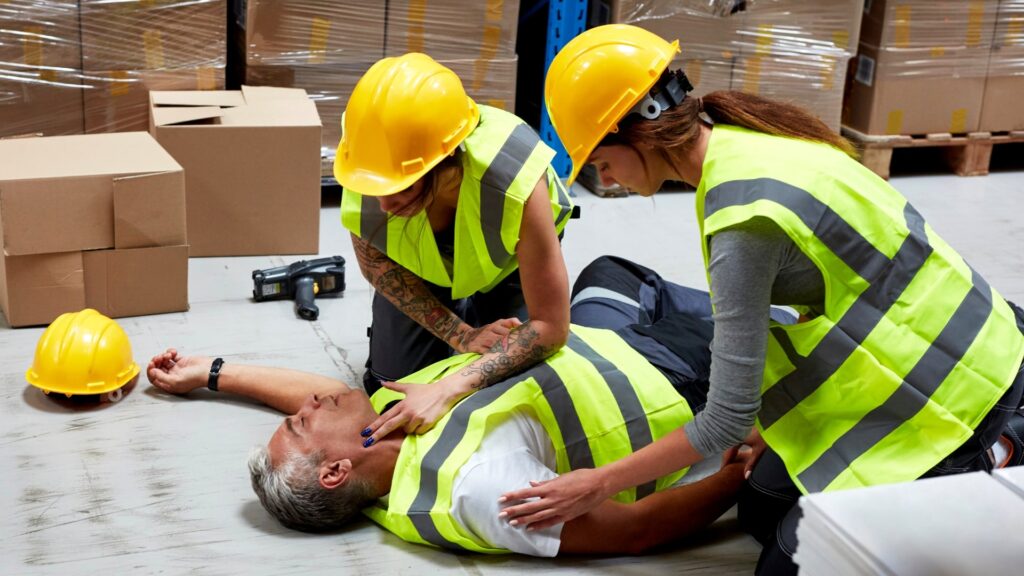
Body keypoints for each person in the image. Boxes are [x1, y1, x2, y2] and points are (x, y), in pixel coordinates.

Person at [498, 24, 1024, 574]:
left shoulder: (745, 221)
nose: (604, 177)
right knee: (762, 505)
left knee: (786, 567)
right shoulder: (750, 140)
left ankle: (994, 456)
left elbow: (722, 420)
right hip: (947, 340)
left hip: (960, 391)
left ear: (641, 129)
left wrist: (595, 484)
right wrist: (764, 428)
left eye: (600, 161)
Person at [147, 256, 755, 556]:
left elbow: (310, 392)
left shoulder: (385, 427)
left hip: (591, 338)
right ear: (335, 470)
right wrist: (735, 476)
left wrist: (217, 373)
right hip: (669, 376)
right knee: (769, 322)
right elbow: (633, 530)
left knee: (610, 272)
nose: (309, 402)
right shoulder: (471, 488)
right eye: (304, 421)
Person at [333, 53, 575, 445]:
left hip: (506, 265)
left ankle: (483, 306)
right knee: (390, 387)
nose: (383, 205)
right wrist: (458, 334)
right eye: (374, 188)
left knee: (515, 383)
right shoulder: (373, 158)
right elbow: (376, 263)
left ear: (449, 165)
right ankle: (455, 318)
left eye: (404, 189)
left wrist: (452, 387)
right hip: (420, 268)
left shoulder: (516, 181)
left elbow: (551, 327)